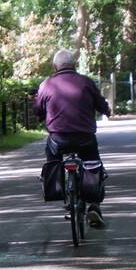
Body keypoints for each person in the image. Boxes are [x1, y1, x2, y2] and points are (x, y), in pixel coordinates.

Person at [34, 49, 111, 227]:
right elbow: (101, 104)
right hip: (85, 138)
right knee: (93, 162)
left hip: (58, 139)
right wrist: (106, 111)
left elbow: (37, 109)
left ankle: (64, 196)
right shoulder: (86, 82)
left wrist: (40, 112)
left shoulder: (47, 84)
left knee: (53, 159)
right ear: (74, 65)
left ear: (55, 66)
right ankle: (93, 205)